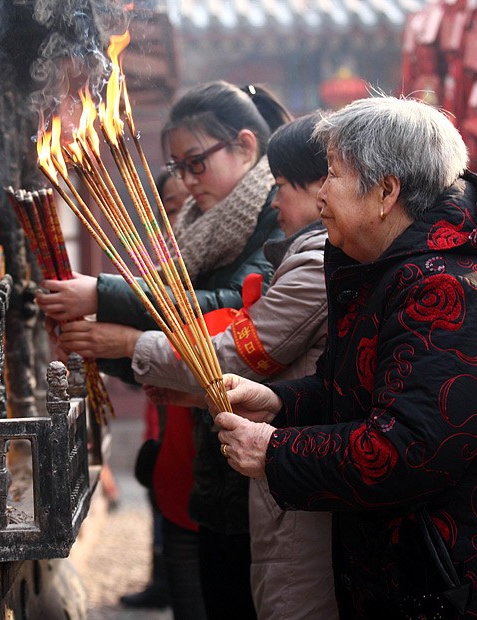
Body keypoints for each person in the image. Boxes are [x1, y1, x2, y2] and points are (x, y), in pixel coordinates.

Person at [213, 96, 477, 617]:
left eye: (332, 174)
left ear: (385, 192)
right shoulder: (395, 273)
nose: (321, 192)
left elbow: (407, 448)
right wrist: (280, 406)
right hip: (432, 576)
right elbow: (363, 389)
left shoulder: (457, 292)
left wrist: (276, 452)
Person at [57, 114, 338, 619]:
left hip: (281, 472)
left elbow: (236, 350)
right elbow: (296, 380)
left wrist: (120, 329)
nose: (186, 184)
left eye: (196, 164)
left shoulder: (310, 256)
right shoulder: (221, 237)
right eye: (177, 171)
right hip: (237, 463)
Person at [118, 171, 190, 611]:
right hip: (160, 402)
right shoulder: (158, 254)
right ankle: (162, 575)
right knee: (160, 484)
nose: (178, 216)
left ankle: (169, 578)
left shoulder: (196, 252)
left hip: (190, 396)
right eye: (171, 207)